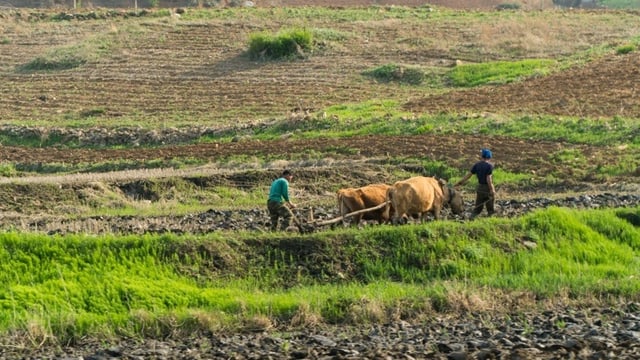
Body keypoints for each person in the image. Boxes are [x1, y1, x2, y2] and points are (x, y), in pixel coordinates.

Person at [454, 148, 496, 218]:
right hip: (487, 188)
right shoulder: (489, 166)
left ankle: (472, 217)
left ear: (482, 156)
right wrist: (492, 189)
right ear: (489, 157)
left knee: (478, 206)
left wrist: (460, 183)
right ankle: (490, 218)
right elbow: (489, 179)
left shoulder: (477, 165)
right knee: (490, 207)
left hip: (480, 187)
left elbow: (468, 175)